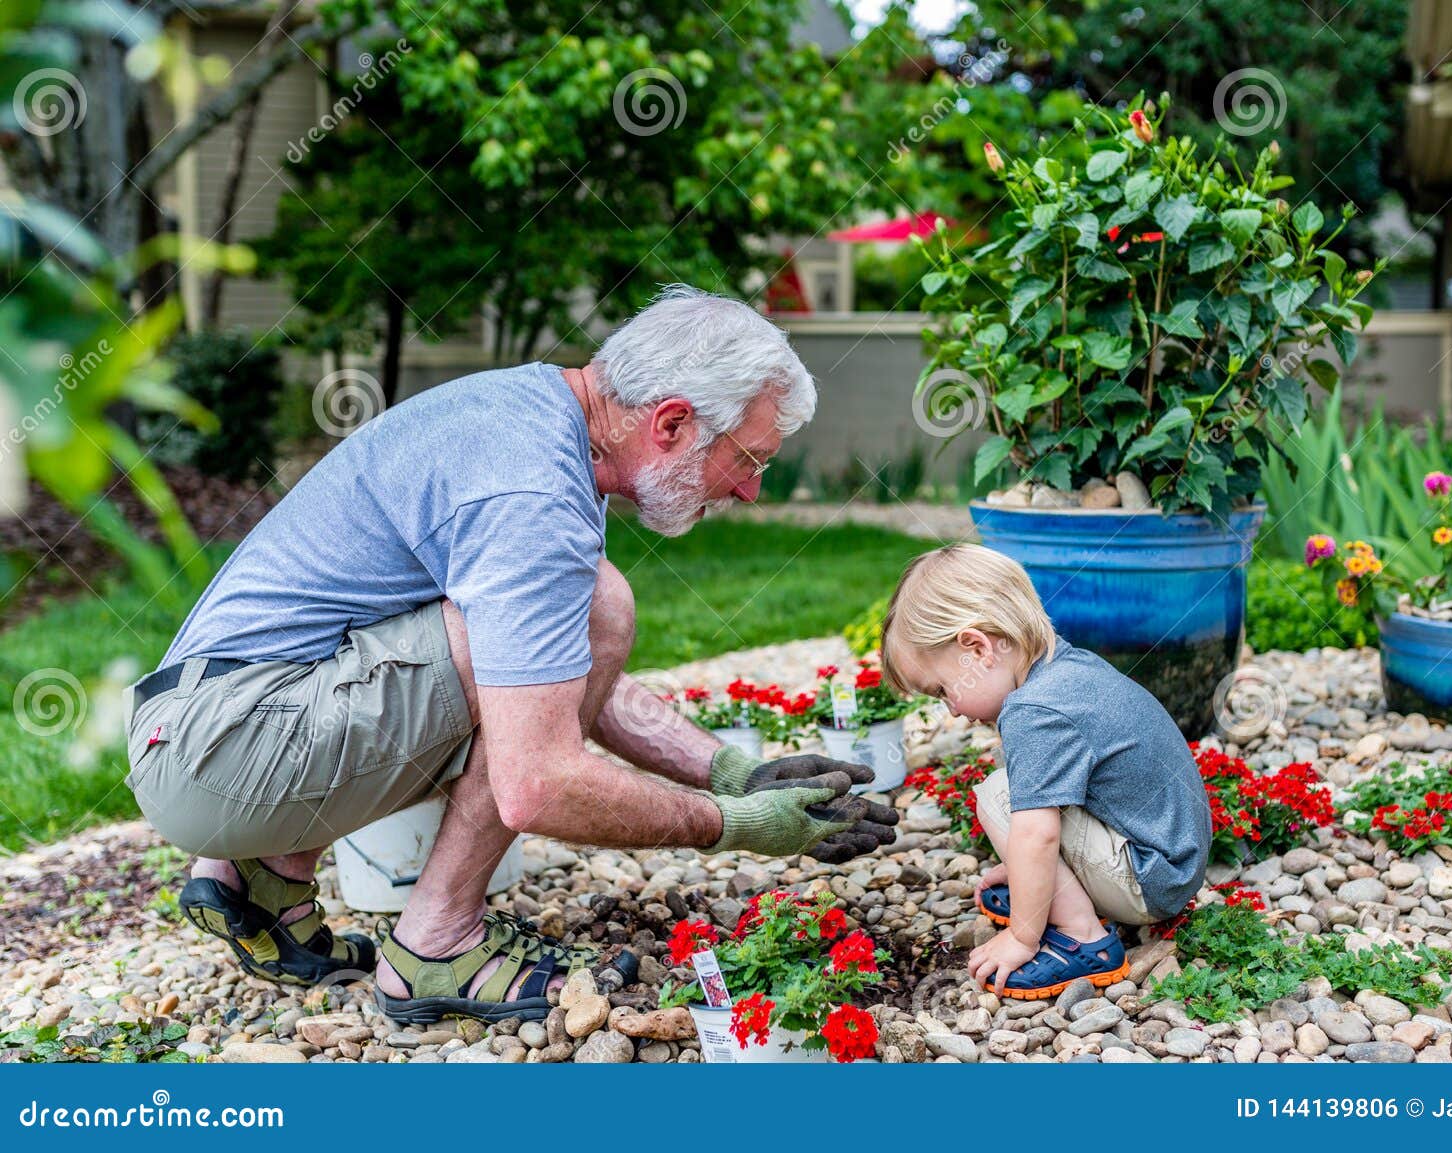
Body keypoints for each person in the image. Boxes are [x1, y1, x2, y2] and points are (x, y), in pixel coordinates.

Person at [122, 286, 897, 1024]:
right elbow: (538, 781)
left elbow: (546, 675)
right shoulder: (532, 494)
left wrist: (730, 769)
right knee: (600, 607)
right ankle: (439, 942)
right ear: (670, 424)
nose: (752, 490)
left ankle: (263, 874)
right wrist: (737, 822)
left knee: (576, 618)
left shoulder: (537, 412)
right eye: (750, 459)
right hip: (220, 753)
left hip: (209, 729)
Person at [879, 544, 1209, 999]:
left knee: (1001, 795)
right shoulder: (1068, 667)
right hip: (1169, 860)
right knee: (1022, 803)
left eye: (942, 690)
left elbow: (1039, 834)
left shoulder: (1033, 710)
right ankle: (1058, 894)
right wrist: (1026, 870)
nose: (951, 711)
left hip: (1148, 879)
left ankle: (1083, 938)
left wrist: (1022, 935)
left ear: (976, 648)